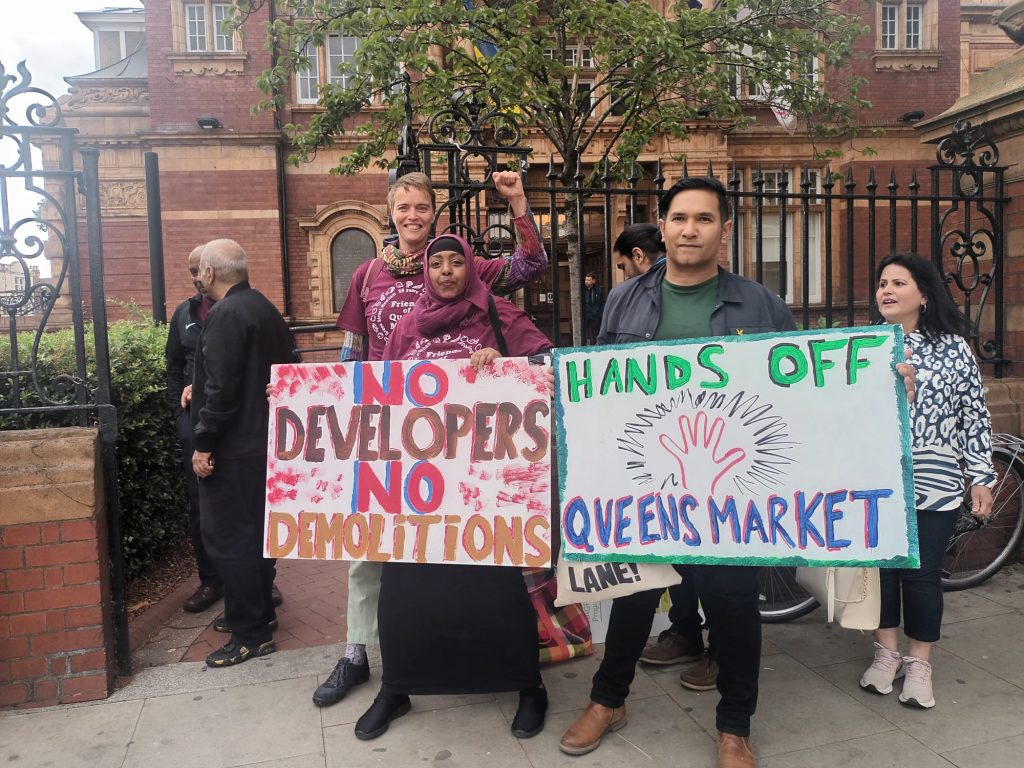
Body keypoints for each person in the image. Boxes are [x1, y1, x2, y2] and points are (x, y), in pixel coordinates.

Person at [557, 178, 916, 768]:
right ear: (664, 225)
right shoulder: (626, 300)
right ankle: (607, 700)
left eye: (703, 219)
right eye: (678, 218)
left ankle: (734, 726)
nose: (689, 229)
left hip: (732, 491)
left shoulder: (758, 303)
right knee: (632, 596)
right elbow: (599, 386)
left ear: (725, 230)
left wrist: (882, 385)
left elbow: (808, 385)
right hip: (649, 486)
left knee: (731, 604)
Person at [314, 170, 549, 707]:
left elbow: (532, 265)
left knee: (471, 560)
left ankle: (492, 666)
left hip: (472, 450)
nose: (413, 215)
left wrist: (516, 203)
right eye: (404, 207)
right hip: (393, 432)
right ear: (390, 213)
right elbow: (352, 353)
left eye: (422, 206)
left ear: (435, 214)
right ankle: (360, 654)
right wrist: (323, 404)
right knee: (373, 548)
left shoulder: (464, 265)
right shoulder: (368, 275)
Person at [353, 232, 553, 741]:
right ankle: (396, 687)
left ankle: (527, 686)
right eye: (436, 263)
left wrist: (501, 366)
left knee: (499, 589)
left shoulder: (497, 316)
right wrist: (300, 397)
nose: (445, 271)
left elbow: (547, 369)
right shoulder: (405, 327)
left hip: (486, 481)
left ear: (470, 269)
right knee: (404, 587)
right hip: (421, 482)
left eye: (454, 263)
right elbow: (378, 390)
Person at [859, 251, 995, 710]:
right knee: (882, 572)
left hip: (935, 477)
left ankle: (919, 663)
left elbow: (973, 415)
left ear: (923, 294)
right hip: (877, 476)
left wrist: (981, 476)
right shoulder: (866, 345)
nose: (887, 291)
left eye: (898, 283)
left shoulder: (953, 347)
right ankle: (886, 652)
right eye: (882, 283)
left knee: (921, 574)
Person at [190, 239, 296, 667]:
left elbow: (221, 389)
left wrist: (203, 443)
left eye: (199, 272)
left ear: (212, 274)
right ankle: (259, 616)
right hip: (263, 444)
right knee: (256, 538)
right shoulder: (265, 309)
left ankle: (249, 632)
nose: (197, 278)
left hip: (234, 449)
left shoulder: (226, 314)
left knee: (230, 542)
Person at [166, 244, 221, 614]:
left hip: (234, 420)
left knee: (247, 502)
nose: (196, 277)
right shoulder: (183, 314)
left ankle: (262, 579)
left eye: (200, 269)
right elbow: (172, 367)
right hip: (194, 423)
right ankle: (211, 580)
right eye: (190, 271)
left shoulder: (240, 308)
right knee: (200, 505)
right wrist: (178, 415)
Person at [582, 272, 605, 345]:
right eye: (586, 280)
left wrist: (600, 314)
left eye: (589, 280)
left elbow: (602, 302)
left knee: (595, 334)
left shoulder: (598, 290)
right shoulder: (582, 290)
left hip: (595, 316)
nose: (587, 282)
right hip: (585, 315)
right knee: (585, 334)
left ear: (593, 281)